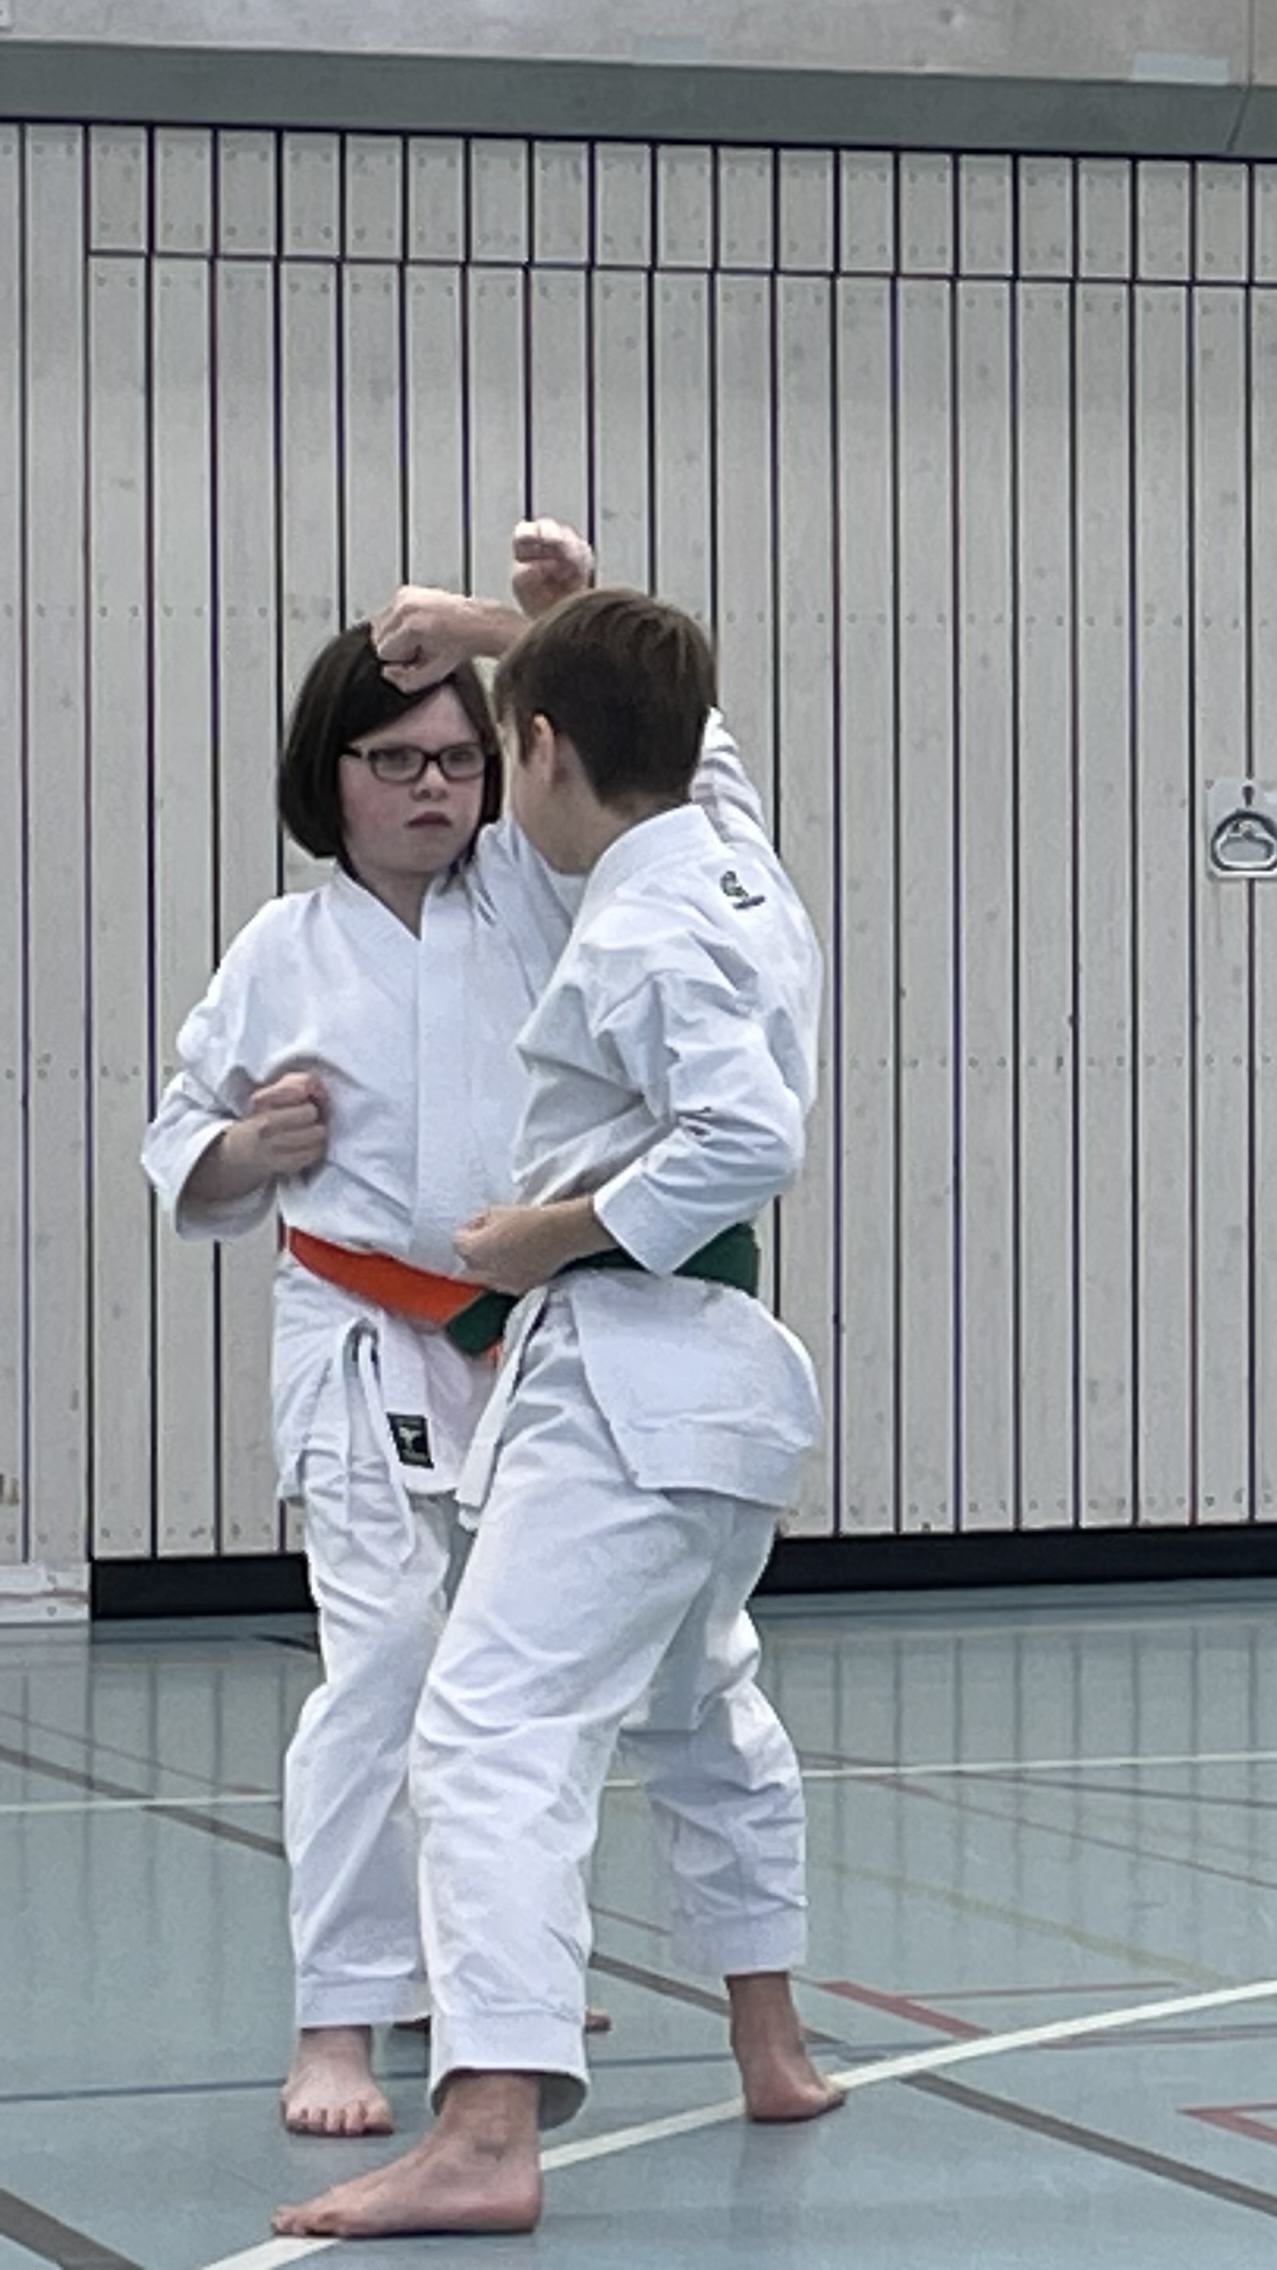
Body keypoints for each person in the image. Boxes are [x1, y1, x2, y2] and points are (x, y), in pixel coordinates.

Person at [141, 521, 737, 2136]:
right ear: (327, 777)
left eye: (460, 760)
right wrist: (241, 1149)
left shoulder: (546, 897)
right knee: (388, 1663)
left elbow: (677, 763)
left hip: (538, 1340)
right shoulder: (282, 951)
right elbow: (179, 1140)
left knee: (520, 1677)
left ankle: (486, 1973)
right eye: (393, 762)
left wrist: (519, 622)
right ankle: (339, 2013)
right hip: (358, 1338)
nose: (431, 790)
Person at [273, 588, 840, 2240]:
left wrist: (549, 1235)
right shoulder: (738, 868)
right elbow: (699, 748)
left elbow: (747, 1137)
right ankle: (769, 2041)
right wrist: (528, 615)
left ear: (536, 749)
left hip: (628, 1374)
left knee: (487, 1732)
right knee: (701, 1709)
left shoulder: (644, 928)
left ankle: (486, 2130)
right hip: (722, 1389)